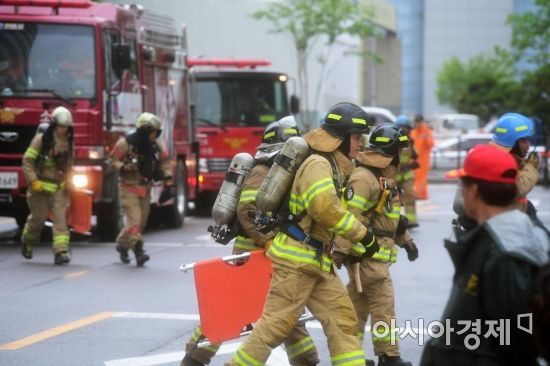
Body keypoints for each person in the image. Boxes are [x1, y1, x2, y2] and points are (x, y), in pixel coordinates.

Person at [225, 102, 381, 366]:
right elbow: (325, 209)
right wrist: (363, 235)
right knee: (274, 327)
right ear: (340, 139)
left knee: (342, 320)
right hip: (297, 261)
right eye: (357, 138)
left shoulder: (333, 165)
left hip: (317, 261)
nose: (361, 145)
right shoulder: (318, 165)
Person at [182, 117, 320, 366]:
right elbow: (247, 209)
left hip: (271, 251)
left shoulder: (282, 172)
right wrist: (266, 240)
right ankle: (194, 358)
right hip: (252, 253)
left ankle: (307, 360)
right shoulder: (261, 171)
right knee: (231, 310)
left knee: (285, 310)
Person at [420, 144, 549, 366]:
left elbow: (514, 338)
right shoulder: (495, 238)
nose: (460, 190)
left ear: (475, 191)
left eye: (463, 184)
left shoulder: (504, 251)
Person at [333, 124, 416, 366]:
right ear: (391, 152)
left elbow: (388, 220)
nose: (403, 156)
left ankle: (350, 358)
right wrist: (340, 251)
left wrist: (406, 241)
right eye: (399, 150)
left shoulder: (383, 178)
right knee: (383, 306)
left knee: (356, 311)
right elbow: (350, 217)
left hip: (374, 255)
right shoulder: (363, 178)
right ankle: (389, 356)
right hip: (367, 257)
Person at [108, 112, 172, 266]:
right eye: (153, 132)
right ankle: (139, 252)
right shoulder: (125, 144)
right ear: (144, 131)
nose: (155, 135)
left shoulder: (155, 146)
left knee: (140, 223)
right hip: (128, 187)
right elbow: (111, 160)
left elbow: (164, 161)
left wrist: (168, 178)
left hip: (145, 189)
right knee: (134, 220)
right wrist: (123, 166)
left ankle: (122, 245)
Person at [21, 106, 74, 265]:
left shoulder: (69, 141)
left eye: (66, 127)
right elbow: (27, 161)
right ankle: (27, 241)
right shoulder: (42, 139)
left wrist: (69, 183)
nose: (63, 130)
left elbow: (70, 164)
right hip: (40, 187)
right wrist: (33, 181)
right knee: (38, 219)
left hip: (58, 187)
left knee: (60, 220)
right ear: (54, 125)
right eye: (60, 126)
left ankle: (61, 252)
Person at [488, 113, 539, 212]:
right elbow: (515, 190)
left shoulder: (507, 158)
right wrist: (530, 168)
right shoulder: (499, 161)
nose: (528, 145)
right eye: (524, 141)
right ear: (512, 142)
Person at [394, 115, 419, 228]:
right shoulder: (393, 141)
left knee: (409, 196)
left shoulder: (410, 142)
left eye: (406, 128)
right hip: (394, 174)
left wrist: (413, 163)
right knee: (393, 199)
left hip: (406, 173)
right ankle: (394, 222)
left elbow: (415, 155)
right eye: (402, 128)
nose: (404, 130)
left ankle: (411, 221)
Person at [410, 115, 433, 200]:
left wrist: (426, 133)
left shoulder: (427, 132)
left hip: (424, 160)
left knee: (421, 178)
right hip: (414, 159)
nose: (417, 124)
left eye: (418, 122)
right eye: (416, 122)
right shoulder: (413, 132)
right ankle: (418, 194)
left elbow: (430, 144)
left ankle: (420, 195)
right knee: (415, 178)